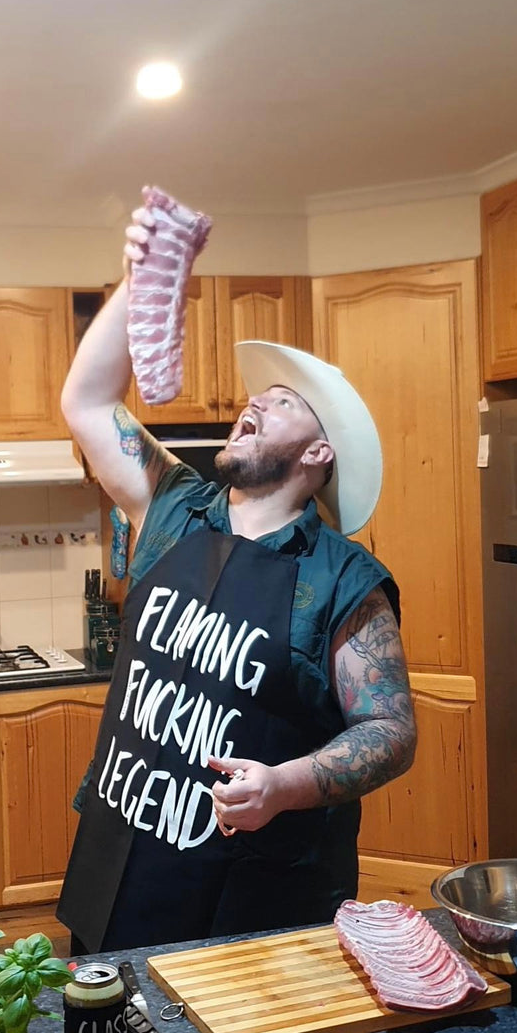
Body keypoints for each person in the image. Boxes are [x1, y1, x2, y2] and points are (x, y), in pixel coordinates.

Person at [57, 200, 417, 956]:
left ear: (319, 454)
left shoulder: (345, 579)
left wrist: (282, 785)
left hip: (255, 887)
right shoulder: (175, 508)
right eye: (259, 395)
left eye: (282, 402)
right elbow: (87, 402)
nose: (254, 400)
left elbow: (390, 731)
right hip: (123, 856)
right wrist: (142, 276)